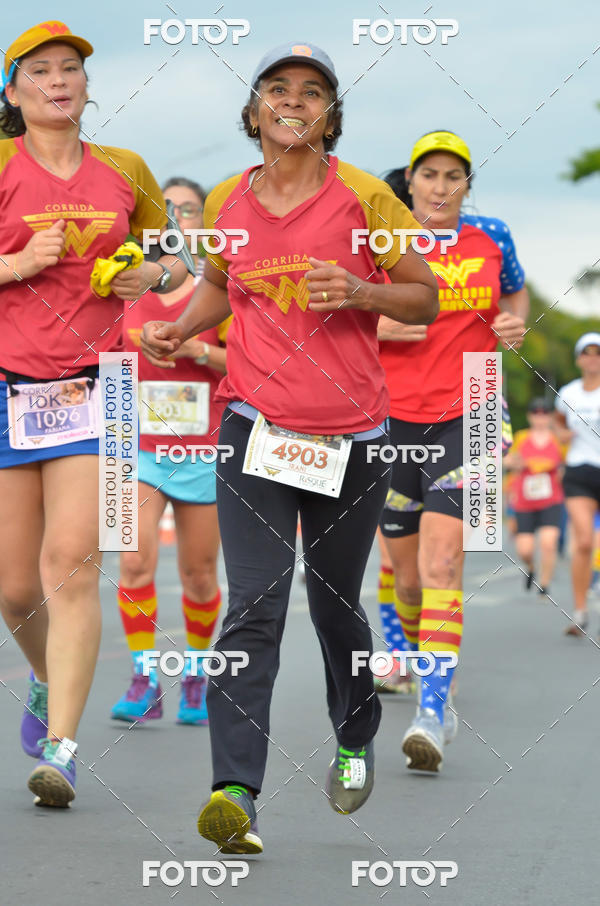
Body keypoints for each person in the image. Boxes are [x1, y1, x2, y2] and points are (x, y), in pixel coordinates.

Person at [141, 42, 438, 853]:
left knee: (335, 606)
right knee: (254, 603)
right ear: (254, 111)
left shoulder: (366, 197)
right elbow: (218, 286)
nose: (294, 101)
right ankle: (235, 791)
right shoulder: (230, 201)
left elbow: (426, 296)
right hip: (255, 430)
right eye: (278, 89)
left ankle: (355, 733)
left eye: (312, 92)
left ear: (330, 117)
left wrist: (363, 290)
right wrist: (180, 326)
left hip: (352, 437)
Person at [0, 21, 188, 807]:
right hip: (8, 386)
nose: (59, 80)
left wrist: (147, 275)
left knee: (72, 565)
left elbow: (175, 257)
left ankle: (64, 750)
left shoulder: (124, 169)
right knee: (15, 589)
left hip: (97, 388)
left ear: (86, 85)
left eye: (70, 68)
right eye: (40, 70)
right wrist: (16, 262)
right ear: (13, 92)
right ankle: (45, 679)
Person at [377, 130, 528, 772]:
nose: (441, 187)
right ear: (410, 182)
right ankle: (424, 665)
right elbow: (333, 313)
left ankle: (432, 710)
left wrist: (514, 323)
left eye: (453, 176)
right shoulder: (380, 238)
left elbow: (514, 292)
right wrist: (377, 324)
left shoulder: (492, 235)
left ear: (467, 185)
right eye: (429, 175)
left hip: (472, 407)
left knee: (443, 562)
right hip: (388, 417)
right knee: (406, 577)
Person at [111, 177, 230, 726]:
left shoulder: (219, 291)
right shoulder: (126, 285)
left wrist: (198, 350)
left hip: (203, 450)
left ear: (203, 224)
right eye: (168, 209)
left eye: (189, 209)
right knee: (134, 562)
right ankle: (144, 678)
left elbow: (247, 365)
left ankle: (197, 675)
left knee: (199, 575)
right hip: (134, 446)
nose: (177, 217)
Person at [555, 332, 600, 637]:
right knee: (583, 541)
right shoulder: (568, 393)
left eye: (598, 353)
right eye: (587, 352)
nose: (592, 358)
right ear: (578, 359)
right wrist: (561, 433)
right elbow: (558, 420)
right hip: (578, 471)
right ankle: (581, 611)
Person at [504, 398, 564, 597]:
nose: (540, 418)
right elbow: (507, 460)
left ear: (550, 417)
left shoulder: (557, 439)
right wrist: (518, 463)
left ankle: (544, 585)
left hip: (551, 500)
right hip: (524, 501)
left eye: (544, 414)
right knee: (525, 549)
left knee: (548, 542)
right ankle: (531, 567)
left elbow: (567, 463)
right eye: (536, 414)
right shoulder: (521, 437)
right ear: (530, 416)